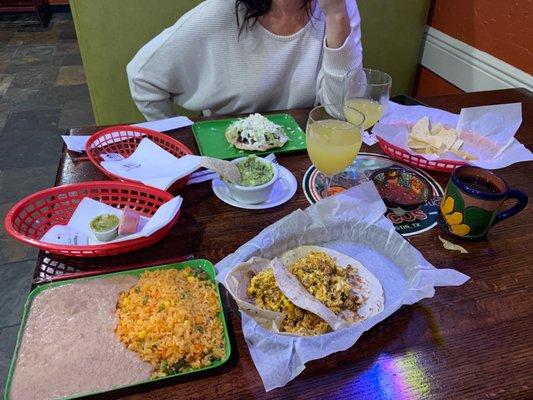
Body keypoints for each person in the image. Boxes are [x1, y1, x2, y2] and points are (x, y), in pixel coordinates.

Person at [127, 0, 363, 120]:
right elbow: (142, 76)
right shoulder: (224, 11)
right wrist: (181, 146)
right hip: (229, 159)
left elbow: (343, 113)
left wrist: (336, 15)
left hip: (302, 157)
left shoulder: (338, 8)